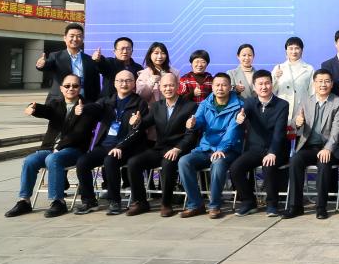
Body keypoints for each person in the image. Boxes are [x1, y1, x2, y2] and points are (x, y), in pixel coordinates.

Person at [5, 75, 102, 218]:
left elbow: (80, 133)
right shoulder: (56, 104)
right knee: (29, 161)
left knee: (53, 159)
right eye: (67, 86)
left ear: (80, 88)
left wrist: (59, 147)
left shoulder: (86, 107)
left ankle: (58, 202)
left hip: (74, 150)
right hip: (50, 148)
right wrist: (33, 108)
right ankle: (24, 201)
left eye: (75, 86)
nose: (71, 89)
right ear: (61, 88)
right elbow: (46, 110)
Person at [73, 70, 149, 215]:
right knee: (82, 162)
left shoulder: (139, 103)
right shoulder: (107, 101)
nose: (124, 84)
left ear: (134, 83)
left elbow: (138, 131)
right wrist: (83, 108)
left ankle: (115, 201)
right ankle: (89, 200)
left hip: (128, 146)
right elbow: (95, 108)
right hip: (105, 145)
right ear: (115, 83)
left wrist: (121, 145)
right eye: (120, 81)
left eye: (128, 80)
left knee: (110, 160)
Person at [122, 72, 198, 217]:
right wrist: (136, 122)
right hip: (160, 148)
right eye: (165, 86)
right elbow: (144, 124)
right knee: (133, 162)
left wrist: (178, 148)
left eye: (171, 85)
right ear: (160, 88)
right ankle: (140, 202)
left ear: (178, 86)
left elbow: (192, 134)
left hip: (179, 149)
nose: (168, 89)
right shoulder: (157, 106)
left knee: (167, 164)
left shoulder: (190, 106)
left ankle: (166, 204)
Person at [177, 73, 244, 219]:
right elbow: (198, 120)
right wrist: (193, 123)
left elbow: (233, 131)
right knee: (184, 161)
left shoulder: (239, 105)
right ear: (212, 87)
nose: (220, 88)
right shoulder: (205, 104)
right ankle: (195, 204)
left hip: (229, 149)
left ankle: (214, 206)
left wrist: (221, 149)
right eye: (217, 85)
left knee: (218, 163)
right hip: (206, 148)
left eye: (224, 85)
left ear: (230, 87)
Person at [284, 69, 339, 219]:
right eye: (320, 81)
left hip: (328, 148)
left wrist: (328, 149)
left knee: (324, 163)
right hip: (309, 147)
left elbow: (336, 130)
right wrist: (298, 123)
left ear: (332, 84)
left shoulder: (338, 102)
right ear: (314, 83)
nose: (323, 85)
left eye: (327, 81)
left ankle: (321, 207)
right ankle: (295, 206)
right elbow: (295, 123)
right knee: (295, 160)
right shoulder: (306, 101)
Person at [229, 69, 290, 216]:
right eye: (260, 84)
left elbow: (279, 132)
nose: (264, 87)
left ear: (272, 84)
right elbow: (243, 114)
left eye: (267, 83)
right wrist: (239, 118)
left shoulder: (282, 104)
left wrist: (272, 152)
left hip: (277, 149)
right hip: (255, 149)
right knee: (235, 168)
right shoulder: (249, 102)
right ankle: (248, 202)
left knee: (268, 166)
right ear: (254, 87)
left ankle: (272, 204)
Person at [35, 22, 100, 102]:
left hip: (84, 101)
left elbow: (95, 84)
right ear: (65, 38)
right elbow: (47, 65)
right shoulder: (56, 56)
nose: (75, 39)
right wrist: (41, 65)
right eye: (72, 36)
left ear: (83, 38)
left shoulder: (89, 59)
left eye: (79, 36)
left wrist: (96, 102)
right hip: (59, 101)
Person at [272, 36, 314, 124]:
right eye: (290, 48)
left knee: (299, 130)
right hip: (281, 109)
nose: (294, 51)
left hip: (301, 110)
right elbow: (271, 91)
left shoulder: (309, 69)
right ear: (286, 51)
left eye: (297, 48)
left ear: (302, 50)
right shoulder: (278, 68)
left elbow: (312, 92)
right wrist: (275, 78)